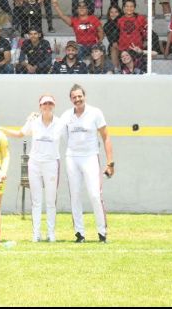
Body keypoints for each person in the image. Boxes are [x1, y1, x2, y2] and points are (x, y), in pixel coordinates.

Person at [0, 96, 64, 242]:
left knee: (51, 200)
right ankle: (36, 234)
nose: (47, 106)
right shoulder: (33, 121)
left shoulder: (60, 122)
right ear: (40, 106)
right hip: (34, 164)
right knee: (36, 201)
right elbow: (19, 134)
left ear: (54, 105)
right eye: (44, 103)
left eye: (50, 103)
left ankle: (51, 234)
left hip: (52, 164)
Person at [61, 85, 114, 243]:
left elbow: (106, 137)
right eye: (74, 97)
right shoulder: (66, 115)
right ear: (71, 99)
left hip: (90, 157)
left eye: (80, 96)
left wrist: (110, 163)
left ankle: (102, 232)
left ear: (84, 96)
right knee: (75, 195)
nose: (77, 99)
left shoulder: (95, 113)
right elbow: (56, 129)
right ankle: (79, 233)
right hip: (72, 158)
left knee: (95, 195)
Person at [104, 4, 122, 70]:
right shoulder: (106, 26)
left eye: (116, 12)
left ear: (119, 13)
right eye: (111, 12)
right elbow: (112, 40)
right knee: (114, 46)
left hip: (125, 43)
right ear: (109, 14)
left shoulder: (123, 22)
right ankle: (116, 70)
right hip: (114, 45)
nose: (113, 14)